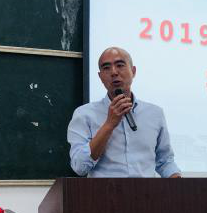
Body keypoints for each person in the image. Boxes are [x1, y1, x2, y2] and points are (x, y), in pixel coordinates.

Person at [67, 47, 181, 178]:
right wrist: (109, 124)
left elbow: (165, 161)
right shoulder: (84, 114)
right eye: (106, 68)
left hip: (147, 190)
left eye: (120, 65)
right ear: (100, 77)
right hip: (105, 190)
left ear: (133, 71)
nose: (114, 72)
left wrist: (177, 179)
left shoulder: (155, 113)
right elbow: (79, 167)